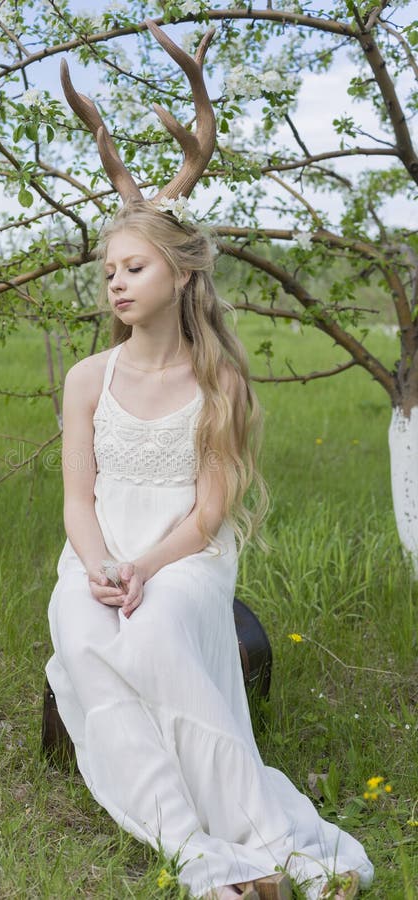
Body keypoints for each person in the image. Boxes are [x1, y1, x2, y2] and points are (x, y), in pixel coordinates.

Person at [45, 199, 374, 900]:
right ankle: (200, 852)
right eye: (110, 272)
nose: (117, 284)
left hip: (184, 558)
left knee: (156, 632)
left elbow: (209, 515)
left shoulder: (217, 380)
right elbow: (77, 500)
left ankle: (266, 838)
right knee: (84, 639)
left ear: (184, 273)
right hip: (97, 555)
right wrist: (105, 565)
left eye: (134, 267)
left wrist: (144, 569)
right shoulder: (86, 379)